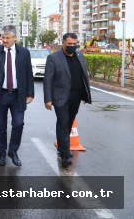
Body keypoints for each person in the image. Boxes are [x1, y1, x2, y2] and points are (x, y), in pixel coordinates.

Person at [0, 25, 34, 167]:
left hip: (18, 95)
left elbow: (28, 73)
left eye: (7, 38)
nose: (4, 40)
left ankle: (13, 151)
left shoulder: (24, 53)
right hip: (0, 95)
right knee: (0, 126)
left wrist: (30, 93)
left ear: (15, 38)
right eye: (3, 38)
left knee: (18, 123)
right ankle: (1, 153)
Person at [43, 33, 92, 168]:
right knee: (63, 124)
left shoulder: (79, 56)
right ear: (63, 43)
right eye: (69, 44)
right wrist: (48, 99)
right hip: (60, 97)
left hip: (76, 97)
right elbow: (48, 80)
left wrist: (86, 94)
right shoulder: (53, 57)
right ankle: (65, 156)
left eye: (74, 44)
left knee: (69, 123)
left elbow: (84, 75)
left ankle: (63, 147)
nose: (72, 46)